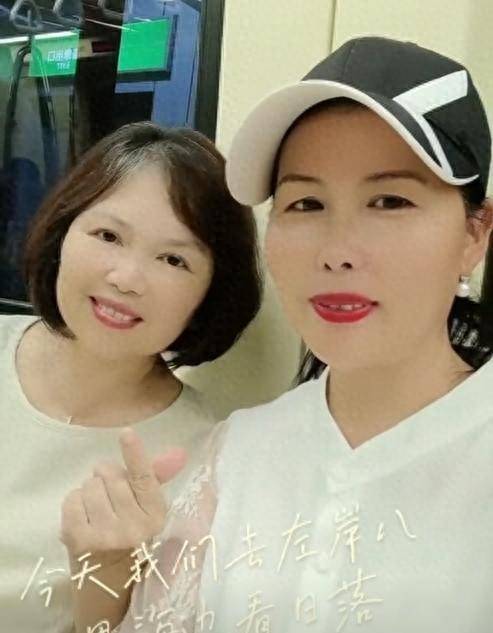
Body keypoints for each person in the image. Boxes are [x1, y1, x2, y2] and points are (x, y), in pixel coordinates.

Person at [63, 37, 493, 633]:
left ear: (475, 234)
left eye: (389, 201)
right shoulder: (238, 452)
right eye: (306, 204)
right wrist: (105, 575)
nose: (337, 251)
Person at [0, 122, 261, 632]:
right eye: (108, 236)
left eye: (173, 259)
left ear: (212, 291)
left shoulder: (207, 462)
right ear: (62, 233)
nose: (126, 279)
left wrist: (106, 575)